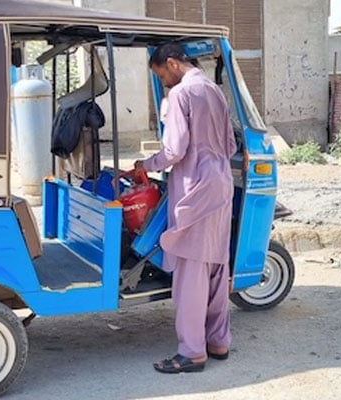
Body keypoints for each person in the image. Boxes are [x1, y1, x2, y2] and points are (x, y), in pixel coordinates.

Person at [134, 42, 237, 374]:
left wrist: (145, 164)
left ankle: (192, 352)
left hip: (194, 188)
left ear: (172, 64)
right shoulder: (214, 91)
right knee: (216, 266)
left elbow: (175, 149)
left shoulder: (181, 94)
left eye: (160, 73)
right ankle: (218, 341)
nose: (163, 80)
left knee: (191, 273)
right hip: (221, 184)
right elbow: (230, 143)